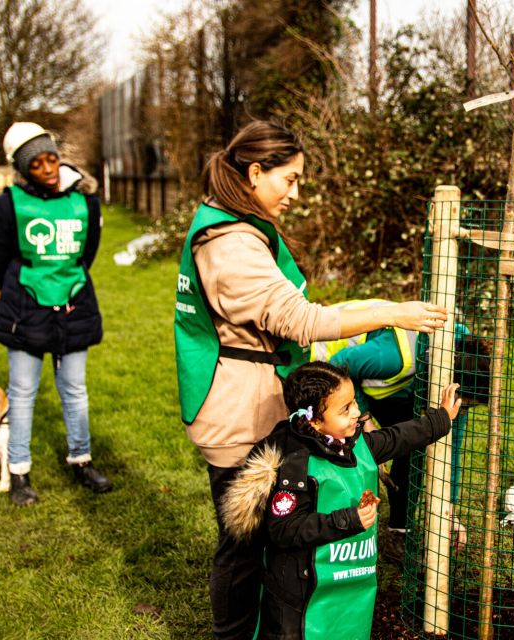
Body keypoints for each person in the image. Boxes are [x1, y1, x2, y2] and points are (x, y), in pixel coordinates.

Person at [173, 120, 448, 639]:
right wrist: (391, 311)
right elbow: (299, 320)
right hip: (237, 410)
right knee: (242, 545)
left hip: (251, 398)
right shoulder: (229, 243)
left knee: (260, 540)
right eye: (289, 179)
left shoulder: (234, 223)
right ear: (255, 172)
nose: (296, 193)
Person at [219, 361, 461, 639]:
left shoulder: (353, 445)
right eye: (345, 409)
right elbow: (283, 529)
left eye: (354, 403)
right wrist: (348, 519)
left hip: (348, 586)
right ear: (313, 421)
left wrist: (441, 418)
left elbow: (398, 438)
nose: (357, 413)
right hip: (298, 598)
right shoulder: (295, 464)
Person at [0, 122, 113, 506]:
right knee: (23, 392)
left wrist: (66, 286)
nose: (47, 169)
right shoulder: (9, 202)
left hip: (73, 307)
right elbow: (1, 255)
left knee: (75, 391)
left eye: (52, 159)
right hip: (25, 310)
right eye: (37, 165)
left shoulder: (85, 201)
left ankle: (82, 462)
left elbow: (88, 254)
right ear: (23, 169)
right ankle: (18, 473)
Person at [309, 299, 491, 533]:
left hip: (387, 386)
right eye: (463, 405)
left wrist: (450, 511)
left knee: (414, 441)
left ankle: (399, 527)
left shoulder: (462, 373)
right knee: (344, 445)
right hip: (326, 363)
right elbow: (340, 365)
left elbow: (450, 447)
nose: (461, 410)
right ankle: (332, 519)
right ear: (449, 382)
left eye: (467, 408)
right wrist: (363, 420)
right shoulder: (395, 357)